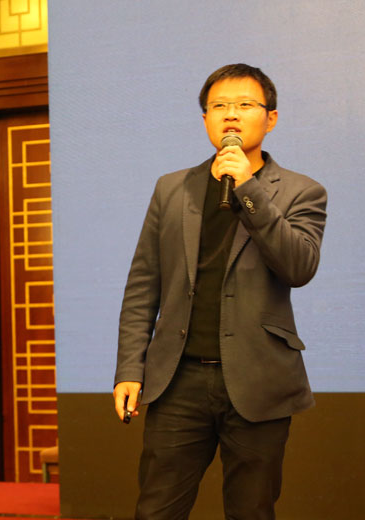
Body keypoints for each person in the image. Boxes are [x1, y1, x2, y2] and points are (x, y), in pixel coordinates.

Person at [113, 63, 328, 519]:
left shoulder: (302, 191)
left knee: (251, 511)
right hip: (178, 381)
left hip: (259, 381)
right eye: (219, 106)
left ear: (270, 118)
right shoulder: (172, 189)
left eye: (245, 104)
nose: (231, 114)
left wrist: (248, 189)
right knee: (155, 510)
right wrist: (130, 368)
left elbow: (299, 267)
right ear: (205, 119)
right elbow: (143, 284)